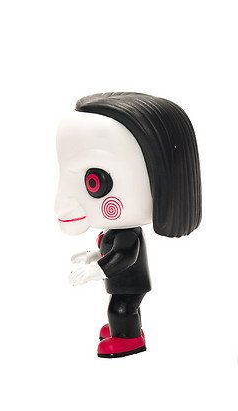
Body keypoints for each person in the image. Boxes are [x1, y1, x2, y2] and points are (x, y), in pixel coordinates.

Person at [55, 92, 202, 358]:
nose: (60, 207)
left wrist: (96, 270)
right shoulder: (118, 232)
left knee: (121, 309)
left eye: (94, 182)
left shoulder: (128, 236)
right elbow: (113, 251)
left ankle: (128, 338)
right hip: (125, 284)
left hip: (130, 284)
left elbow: (123, 257)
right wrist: (92, 256)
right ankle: (126, 329)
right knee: (125, 308)